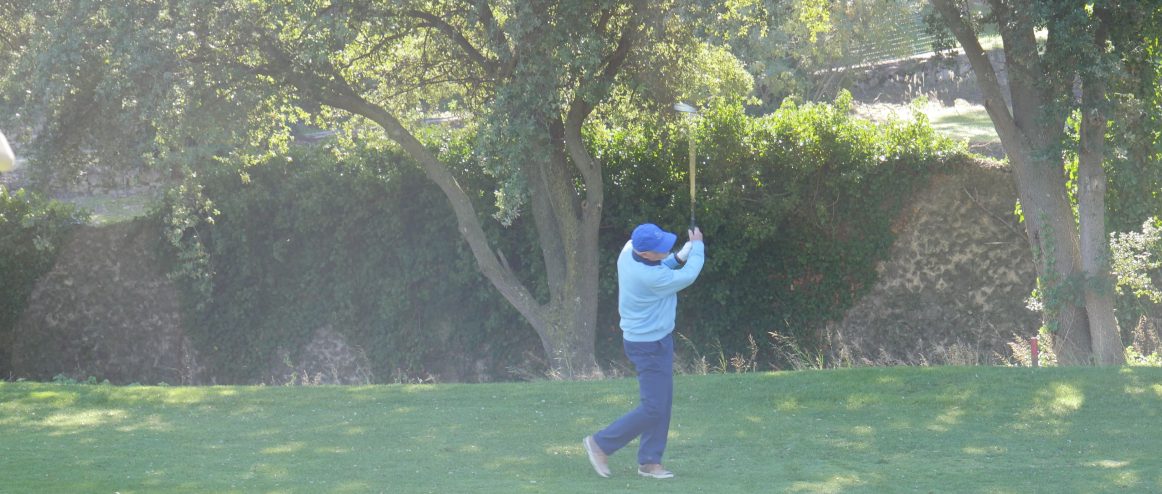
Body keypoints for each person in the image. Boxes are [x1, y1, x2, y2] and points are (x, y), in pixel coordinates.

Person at [584, 222, 705, 479]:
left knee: (662, 403)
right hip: (647, 345)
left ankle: (650, 461)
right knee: (653, 407)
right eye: (660, 248)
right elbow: (688, 276)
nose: (665, 248)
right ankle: (600, 443)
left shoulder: (629, 250)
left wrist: (680, 254)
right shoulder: (650, 277)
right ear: (647, 253)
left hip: (655, 340)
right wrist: (698, 248)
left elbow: (662, 264)